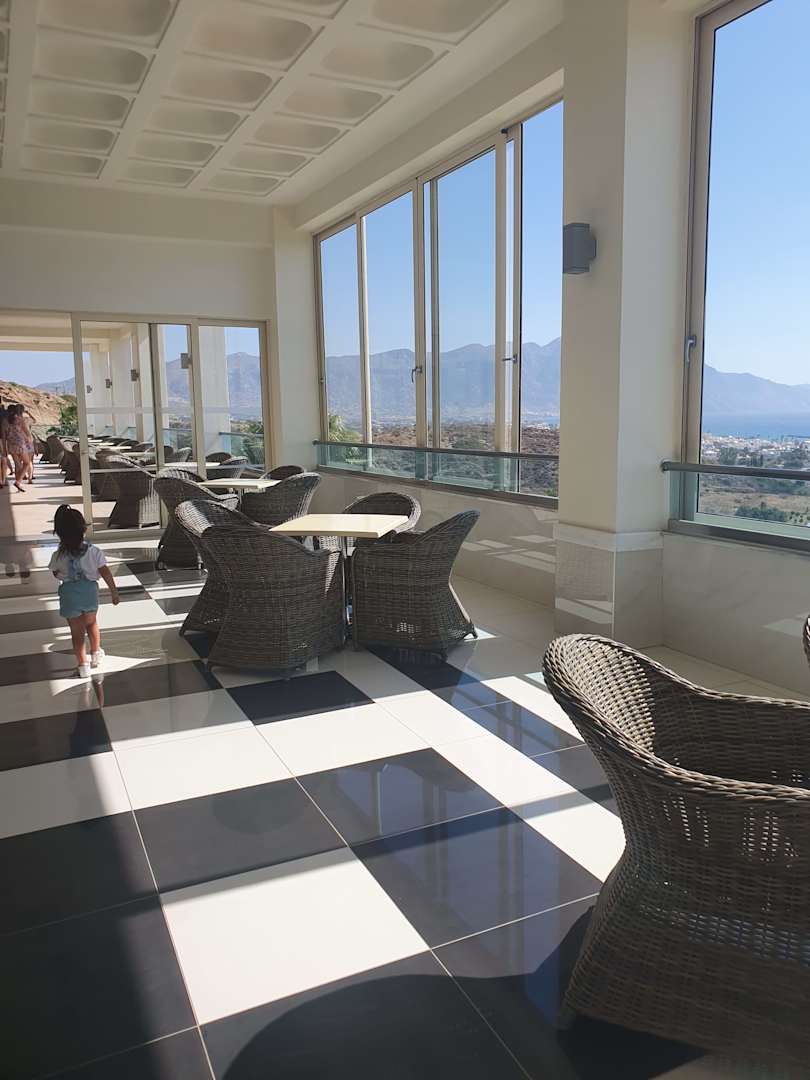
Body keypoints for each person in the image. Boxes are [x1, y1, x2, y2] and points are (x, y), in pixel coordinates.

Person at [49, 505, 119, 678]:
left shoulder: (58, 556)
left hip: (69, 595)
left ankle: (82, 665)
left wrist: (64, 574)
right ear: (84, 529)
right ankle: (95, 654)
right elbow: (105, 572)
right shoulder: (94, 552)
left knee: (76, 632)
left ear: (60, 534)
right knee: (91, 624)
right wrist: (114, 591)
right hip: (89, 592)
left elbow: (56, 573)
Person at [5, 405, 32, 493]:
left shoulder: (5, 421)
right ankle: (18, 482)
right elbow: (27, 432)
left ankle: (18, 484)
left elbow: (4, 435)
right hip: (20, 444)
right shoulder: (20, 419)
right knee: (27, 463)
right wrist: (29, 440)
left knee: (17, 464)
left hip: (11, 444)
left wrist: (5, 447)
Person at [0, 396, 8, 490]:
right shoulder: (4, 413)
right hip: (2, 439)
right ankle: (3, 479)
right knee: (4, 459)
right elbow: (4, 428)